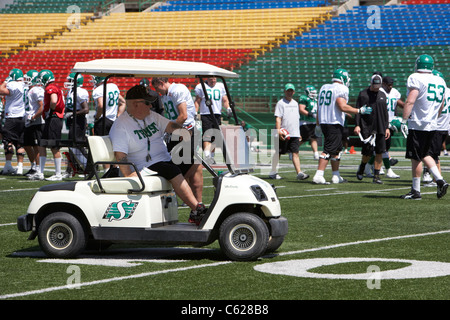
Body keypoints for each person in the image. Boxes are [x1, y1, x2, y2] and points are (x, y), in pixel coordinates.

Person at [109, 85, 207, 225]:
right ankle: (197, 210)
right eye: (148, 103)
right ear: (135, 104)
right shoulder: (121, 126)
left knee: (194, 162)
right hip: (144, 167)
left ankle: (196, 207)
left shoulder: (151, 116)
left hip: (162, 160)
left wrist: (183, 132)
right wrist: (128, 175)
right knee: (170, 169)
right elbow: (120, 156)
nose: (151, 106)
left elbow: (171, 127)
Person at [312, 68, 373, 185]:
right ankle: (319, 175)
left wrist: (318, 124)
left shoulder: (324, 87)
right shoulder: (341, 88)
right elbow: (341, 105)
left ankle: (336, 176)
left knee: (336, 149)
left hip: (325, 121)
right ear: (343, 78)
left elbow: (321, 107)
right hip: (333, 123)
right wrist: (359, 110)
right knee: (328, 150)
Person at [400, 54, 448, 200]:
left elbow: (410, 101)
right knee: (425, 154)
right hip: (433, 124)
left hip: (418, 123)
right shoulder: (439, 79)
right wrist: (434, 118)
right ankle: (440, 179)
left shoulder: (415, 77)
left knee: (416, 157)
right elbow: (442, 104)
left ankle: (415, 191)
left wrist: (403, 120)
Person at [151, 77, 203, 203]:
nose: (157, 91)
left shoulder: (177, 89)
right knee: (188, 167)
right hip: (178, 132)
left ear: (161, 83)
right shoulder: (166, 95)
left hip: (185, 131)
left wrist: (173, 131)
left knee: (185, 168)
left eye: (156, 87)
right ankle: (197, 203)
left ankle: (182, 194)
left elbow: (183, 116)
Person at [269, 83, 309, 180]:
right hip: (284, 133)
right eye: (288, 91)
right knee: (278, 153)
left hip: (294, 133)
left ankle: (299, 173)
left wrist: (298, 133)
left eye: (291, 91)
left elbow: (296, 119)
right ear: (285, 91)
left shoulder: (295, 103)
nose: (289, 92)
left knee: (295, 153)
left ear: (294, 92)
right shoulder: (280, 103)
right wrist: (279, 131)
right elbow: (278, 118)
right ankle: (273, 172)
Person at [354, 74, 390, 184]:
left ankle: (376, 176)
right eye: (375, 84)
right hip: (367, 126)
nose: (376, 87)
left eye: (378, 85)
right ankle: (362, 167)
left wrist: (387, 127)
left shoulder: (383, 95)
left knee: (380, 151)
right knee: (367, 152)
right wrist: (357, 125)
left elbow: (385, 113)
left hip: (380, 126)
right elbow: (358, 111)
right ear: (371, 83)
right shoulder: (363, 94)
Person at [194, 76, 232, 164]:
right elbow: (198, 101)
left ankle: (211, 156)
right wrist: (195, 112)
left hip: (217, 114)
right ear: (207, 79)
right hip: (206, 114)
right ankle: (207, 156)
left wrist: (228, 108)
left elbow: (225, 99)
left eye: (214, 78)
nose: (213, 80)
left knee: (214, 137)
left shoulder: (220, 86)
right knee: (207, 135)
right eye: (211, 79)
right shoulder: (201, 86)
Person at [36, 69, 65, 181]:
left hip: (54, 118)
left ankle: (58, 173)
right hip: (51, 119)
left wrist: (50, 110)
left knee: (54, 146)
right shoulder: (53, 87)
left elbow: (53, 101)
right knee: (42, 144)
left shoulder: (50, 87)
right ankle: (40, 172)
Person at [62, 73, 90, 177]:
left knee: (77, 145)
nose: (68, 82)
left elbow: (86, 109)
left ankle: (88, 166)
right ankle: (72, 169)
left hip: (78, 121)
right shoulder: (72, 91)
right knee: (72, 145)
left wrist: (73, 114)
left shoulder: (80, 92)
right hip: (73, 121)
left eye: (70, 80)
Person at [0, 68, 26, 175]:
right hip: (23, 116)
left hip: (12, 116)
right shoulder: (25, 85)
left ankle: (8, 165)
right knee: (20, 142)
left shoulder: (13, 84)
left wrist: (6, 81)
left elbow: (1, 90)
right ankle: (20, 167)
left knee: (7, 140)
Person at [23, 69, 44, 180]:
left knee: (36, 146)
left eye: (28, 79)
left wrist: (34, 116)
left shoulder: (37, 90)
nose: (26, 81)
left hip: (36, 122)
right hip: (29, 121)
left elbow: (42, 106)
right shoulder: (29, 90)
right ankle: (34, 166)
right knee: (26, 144)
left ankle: (38, 168)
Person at [298, 85, 320, 160]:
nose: (313, 94)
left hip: (313, 122)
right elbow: (301, 109)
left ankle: (316, 154)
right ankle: (292, 149)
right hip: (305, 121)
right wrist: (310, 114)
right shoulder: (303, 98)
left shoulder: (315, 100)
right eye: (311, 93)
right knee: (304, 138)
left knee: (314, 137)